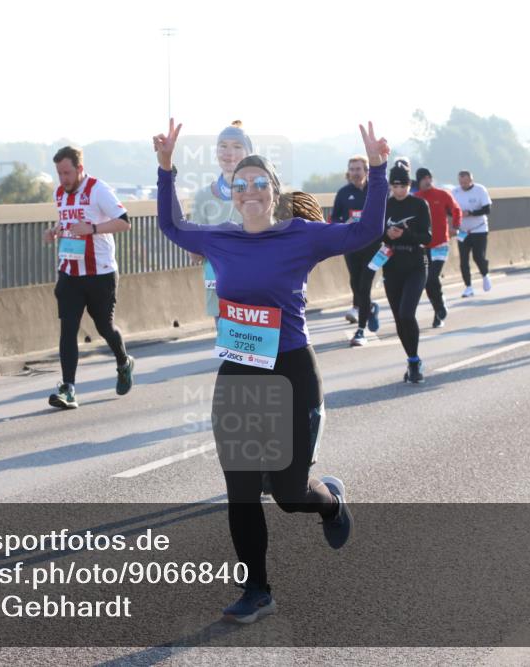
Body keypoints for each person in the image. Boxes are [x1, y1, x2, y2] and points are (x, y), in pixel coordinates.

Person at [153, 117, 389, 623]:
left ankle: (329, 503)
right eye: (241, 184)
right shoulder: (221, 238)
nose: (250, 190)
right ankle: (257, 590)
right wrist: (166, 169)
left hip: (291, 373)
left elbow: (367, 230)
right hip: (239, 373)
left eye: (260, 182)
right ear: (233, 195)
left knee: (287, 494)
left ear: (273, 191)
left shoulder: (301, 236)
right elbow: (171, 227)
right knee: (241, 492)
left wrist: (377, 169)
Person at [44, 146, 135, 409]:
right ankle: (68, 388)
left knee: (104, 327)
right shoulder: (59, 193)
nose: (63, 179)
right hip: (70, 272)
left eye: (67, 173)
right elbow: (67, 221)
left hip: (100, 273)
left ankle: (123, 362)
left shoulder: (98, 189)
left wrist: (92, 229)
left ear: (80, 169)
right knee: (68, 329)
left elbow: (124, 222)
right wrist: (55, 230)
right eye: (59, 173)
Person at [371, 165, 433, 381]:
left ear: (409, 185)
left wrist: (404, 235)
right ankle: (413, 360)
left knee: (407, 313)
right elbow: (374, 234)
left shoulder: (419, 204)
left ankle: (415, 363)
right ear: (390, 186)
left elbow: (427, 237)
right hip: (392, 266)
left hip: (416, 265)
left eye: (403, 186)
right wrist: (386, 234)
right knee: (399, 318)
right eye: (395, 186)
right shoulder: (385, 206)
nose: (399, 190)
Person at [192, 121, 251, 318]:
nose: (229, 152)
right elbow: (194, 253)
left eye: (237, 146)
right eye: (223, 146)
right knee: (226, 337)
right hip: (220, 291)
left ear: (248, 153)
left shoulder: (262, 192)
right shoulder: (203, 196)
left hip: (256, 287)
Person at [331, 155, 381, 345]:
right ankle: (371, 308)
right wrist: (345, 223)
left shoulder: (375, 190)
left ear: (366, 171)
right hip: (351, 245)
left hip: (373, 246)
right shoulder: (343, 193)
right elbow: (334, 219)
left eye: (358, 169)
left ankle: (361, 330)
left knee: (364, 285)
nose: (354, 173)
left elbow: (386, 213)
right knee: (356, 283)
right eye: (351, 169)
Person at [413, 167, 461, 328]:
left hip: (440, 244)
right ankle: (438, 311)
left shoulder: (442, 194)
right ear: (418, 181)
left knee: (432, 277)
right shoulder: (416, 198)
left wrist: (456, 226)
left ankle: (440, 305)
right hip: (424, 246)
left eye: (429, 178)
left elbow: (456, 210)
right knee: (427, 281)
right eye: (424, 178)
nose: (427, 181)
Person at [451, 170, 493, 296]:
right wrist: (457, 216)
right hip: (462, 231)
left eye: (465, 182)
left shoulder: (480, 190)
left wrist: (471, 213)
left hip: (479, 229)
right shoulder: (455, 192)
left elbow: (487, 209)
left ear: (471, 180)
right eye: (461, 182)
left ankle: (485, 274)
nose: (463, 185)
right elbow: (449, 210)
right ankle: (468, 287)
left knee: (478, 256)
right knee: (463, 260)